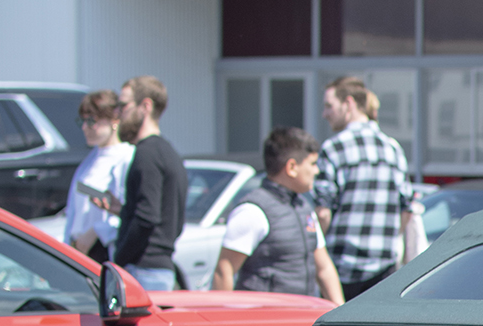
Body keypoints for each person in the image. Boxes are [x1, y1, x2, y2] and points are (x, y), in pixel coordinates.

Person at [313, 76, 420, 298]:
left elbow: (323, 212)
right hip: (385, 270)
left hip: (341, 269)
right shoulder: (393, 149)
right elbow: (406, 210)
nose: (325, 114)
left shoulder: (334, 148)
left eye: (329, 106)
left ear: (348, 104)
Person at [212, 126, 345, 303]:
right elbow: (224, 270)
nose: (316, 171)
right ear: (291, 167)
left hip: (302, 317)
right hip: (264, 321)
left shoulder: (304, 208)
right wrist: (224, 322)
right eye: (312, 164)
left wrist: (338, 312)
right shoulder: (253, 210)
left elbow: (324, 268)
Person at [113, 75, 187, 292]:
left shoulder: (147, 153)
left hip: (144, 270)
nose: (119, 113)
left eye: (124, 105)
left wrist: (118, 260)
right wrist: (123, 210)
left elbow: (147, 217)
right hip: (160, 268)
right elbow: (172, 217)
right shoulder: (169, 152)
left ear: (145, 106)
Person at [61, 90, 132, 261]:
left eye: (92, 121)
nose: (85, 127)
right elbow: (74, 211)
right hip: (79, 250)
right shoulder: (90, 160)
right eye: (82, 121)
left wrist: (96, 232)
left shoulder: (126, 157)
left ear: (114, 119)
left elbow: (129, 212)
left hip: (104, 251)